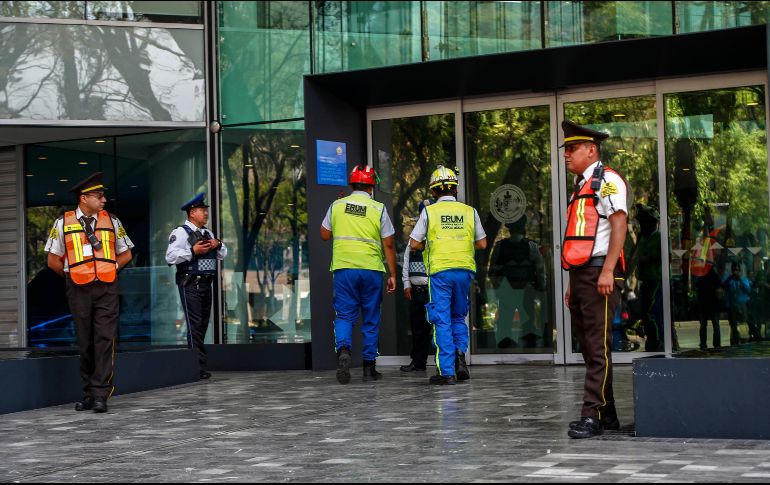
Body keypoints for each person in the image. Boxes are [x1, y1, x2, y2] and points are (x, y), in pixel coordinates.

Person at [45, 172, 134, 414]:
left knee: (104, 339)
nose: (103, 200)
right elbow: (53, 260)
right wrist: (74, 275)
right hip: (78, 288)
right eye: (98, 196)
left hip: (106, 286)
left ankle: (100, 394)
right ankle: (89, 393)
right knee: (85, 341)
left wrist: (111, 268)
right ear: (84, 198)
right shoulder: (62, 223)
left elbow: (126, 253)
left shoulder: (112, 221)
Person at [560, 120, 627, 439]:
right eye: (566, 149)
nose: (567, 155)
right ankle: (608, 414)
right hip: (583, 275)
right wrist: (573, 284)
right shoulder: (582, 185)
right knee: (590, 348)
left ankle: (591, 415)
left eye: (572, 149)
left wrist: (608, 270)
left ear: (592, 149)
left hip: (599, 272)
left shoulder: (607, 180)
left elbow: (619, 224)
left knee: (597, 347)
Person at [409, 166, 487, 385]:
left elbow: (414, 243)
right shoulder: (469, 211)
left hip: (440, 272)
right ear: (455, 189)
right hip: (464, 271)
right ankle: (460, 357)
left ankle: (447, 372)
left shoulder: (429, 212)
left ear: (434, 192)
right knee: (457, 317)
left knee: (441, 319)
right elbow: (482, 243)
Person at [320, 165, 397, 384]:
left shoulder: (337, 205)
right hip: (371, 269)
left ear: (352, 184)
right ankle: (369, 369)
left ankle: (344, 350)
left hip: (344, 269)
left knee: (344, 316)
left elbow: (324, 234)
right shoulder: (378, 208)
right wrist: (393, 274)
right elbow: (389, 243)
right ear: (372, 186)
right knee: (371, 318)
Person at [165, 193, 227, 380]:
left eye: (206, 210)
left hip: (207, 285)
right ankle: (197, 367)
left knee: (202, 325)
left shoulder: (208, 233)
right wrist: (192, 251)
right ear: (192, 213)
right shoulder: (181, 233)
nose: (206, 214)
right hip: (190, 284)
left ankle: (197, 364)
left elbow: (222, 255)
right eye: (202, 210)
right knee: (194, 326)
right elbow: (170, 257)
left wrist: (218, 244)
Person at [488, 215, 546, 349]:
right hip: (527, 288)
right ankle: (530, 345)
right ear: (523, 228)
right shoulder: (531, 245)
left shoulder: (500, 246)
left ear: (509, 230)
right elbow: (540, 268)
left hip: (506, 288)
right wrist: (540, 286)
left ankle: (504, 345)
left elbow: (492, 270)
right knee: (528, 320)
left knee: (505, 320)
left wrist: (497, 287)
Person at [400, 199, 433, 373]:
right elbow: (406, 262)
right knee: (418, 329)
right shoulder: (414, 239)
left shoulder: (435, 237)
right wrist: (406, 284)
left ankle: (445, 363)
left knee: (437, 328)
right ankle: (418, 362)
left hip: (432, 290)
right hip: (416, 291)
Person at [634, 204, 664, 352]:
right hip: (645, 278)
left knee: (649, 311)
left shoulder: (658, 236)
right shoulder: (643, 237)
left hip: (656, 279)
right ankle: (652, 338)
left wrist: (649, 258)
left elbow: (667, 256)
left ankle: (656, 339)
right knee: (643, 311)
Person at [723, 261, 758, 345]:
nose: (735, 271)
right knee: (733, 325)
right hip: (731, 306)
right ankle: (734, 341)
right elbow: (724, 286)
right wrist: (731, 277)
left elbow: (748, 290)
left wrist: (740, 280)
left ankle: (744, 340)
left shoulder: (744, 279)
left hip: (742, 305)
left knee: (743, 323)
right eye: (734, 269)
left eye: (737, 269)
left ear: (740, 270)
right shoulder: (729, 279)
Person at [695, 266, 722, 350]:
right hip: (713, 305)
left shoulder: (701, 276)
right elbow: (719, 290)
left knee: (703, 325)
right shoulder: (715, 276)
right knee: (715, 325)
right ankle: (716, 344)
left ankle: (703, 344)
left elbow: (697, 287)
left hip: (703, 305)